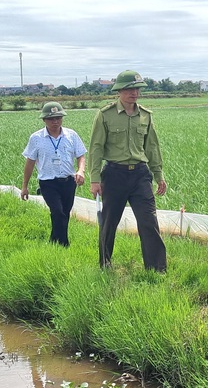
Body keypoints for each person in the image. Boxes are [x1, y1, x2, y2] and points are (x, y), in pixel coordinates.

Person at [88, 70, 167, 271]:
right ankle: (105, 265)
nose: (134, 93)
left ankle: (157, 269)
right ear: (120, 91)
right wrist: (94, 179)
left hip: (140, 175)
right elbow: (96, 147)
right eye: (130, 89)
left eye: (137, 88)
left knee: (149, 222)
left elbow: (152, 147)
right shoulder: (105, 115)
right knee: (108, 223)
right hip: (114, 175)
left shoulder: (146, 116)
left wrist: (159, 176)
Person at [21, 101, 87, 247]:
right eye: (51, 118)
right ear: (44, 120)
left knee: (65, 213)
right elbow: (30, 163)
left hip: (69, 181)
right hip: (48, 182)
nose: (55, 121)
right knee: (57, 212)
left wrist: (81, 170)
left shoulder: (71, 135)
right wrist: (24, 186)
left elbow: (81, 155)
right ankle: (64, 245)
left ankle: (53, 242)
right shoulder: (36, 138)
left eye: (58, 118)